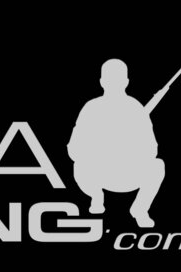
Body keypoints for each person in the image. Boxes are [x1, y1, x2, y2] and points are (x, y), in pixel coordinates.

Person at [69, 62, 166, 231]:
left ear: (101, 81)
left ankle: (139, 209)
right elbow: (75, 149)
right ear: (126, 81)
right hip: (98, 174)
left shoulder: (135, 109)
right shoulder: (92, 108)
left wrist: (127, 148)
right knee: (80, 165)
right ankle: (96, 196)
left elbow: (151, 150)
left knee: (158, 166)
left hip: (128, 175)